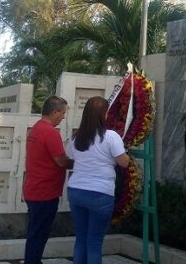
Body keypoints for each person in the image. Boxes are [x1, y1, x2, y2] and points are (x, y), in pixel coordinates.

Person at [66, 96, 129, 264]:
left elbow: (71, 158)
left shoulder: (76, 137)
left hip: (76, 190)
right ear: (104, 114)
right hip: (100, 193)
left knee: (81, 239)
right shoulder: (111, 136)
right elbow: (123, 162)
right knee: (94, 243)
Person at [23, 95, 73, 264]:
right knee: (39, 235)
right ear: (55, 112)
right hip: (45, 193)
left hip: (34, 189)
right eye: (63, 113)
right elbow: (61, 160)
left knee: (35, 233)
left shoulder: (36, 128)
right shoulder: (50, 132)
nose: (64, 117)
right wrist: (82, 163)